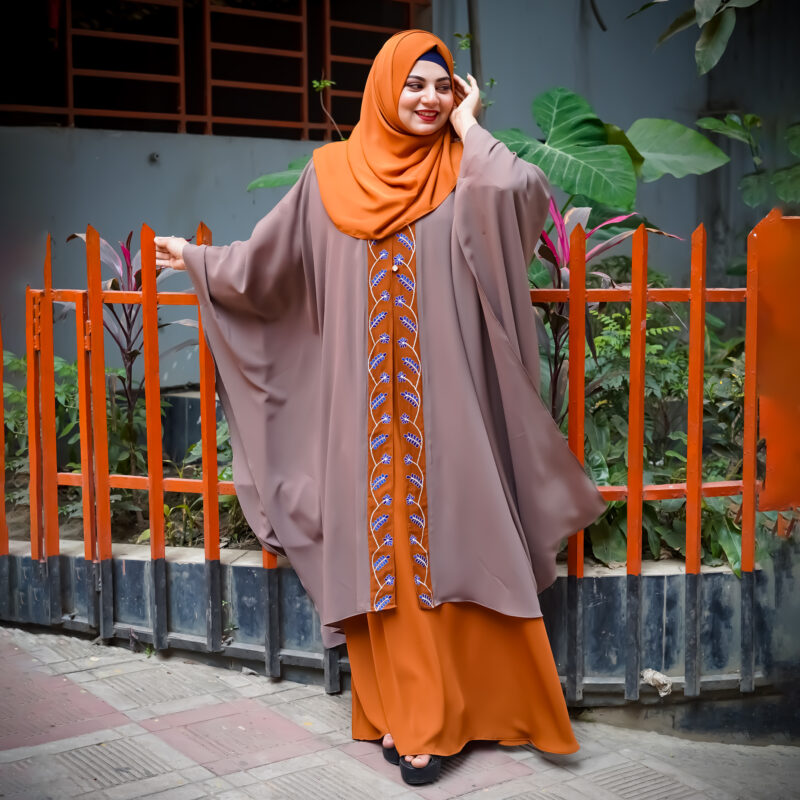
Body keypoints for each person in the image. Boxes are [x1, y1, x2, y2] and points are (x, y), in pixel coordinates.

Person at [155, 29, 605, 786]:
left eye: (441, 87)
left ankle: (453, 717)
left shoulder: (467, 169)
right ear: (383, 89)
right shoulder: (330, 173)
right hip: (362, 417)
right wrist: (200, 261)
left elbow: (522, 196)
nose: (428, 99)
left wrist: (470, 127)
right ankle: (412, 717)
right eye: (415, 86)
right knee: (386, 557)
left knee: (459, 549)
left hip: (451, 407)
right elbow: (269, 264)